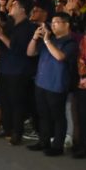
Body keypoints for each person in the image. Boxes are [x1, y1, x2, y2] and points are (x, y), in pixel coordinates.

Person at [27, 12, 79, 156]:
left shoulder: (71, 43)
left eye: (57, 22)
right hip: (41, 83)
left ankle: (57, 146)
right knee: (43, 115)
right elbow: (30, 53)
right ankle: (43, 141)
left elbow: (60, 57)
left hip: (57, 85)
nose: (53, 25)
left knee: (58, 116)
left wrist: (46, 41)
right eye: (52, 22)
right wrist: (34, 37)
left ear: (66, 24)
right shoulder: (50, 40)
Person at [0, 0, 36, 145]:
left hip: (19, 70)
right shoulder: (10, 24)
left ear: (22, 10)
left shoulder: (29, 28)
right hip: (4, 67)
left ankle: (17, 132)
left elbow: (20, 50)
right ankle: (7, 128)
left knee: (17, 103)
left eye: (15, 5)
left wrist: (2, 36)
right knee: (4, 101)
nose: (12, 6)